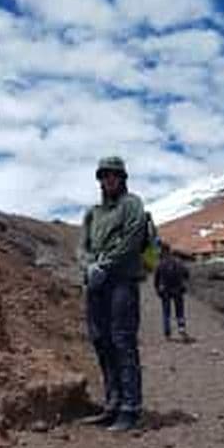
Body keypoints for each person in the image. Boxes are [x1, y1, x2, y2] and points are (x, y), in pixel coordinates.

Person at [79, 156, 147, 431]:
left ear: (122, 178)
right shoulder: (92, 213)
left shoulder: (132, 204)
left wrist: (104, 265)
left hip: (122, 281)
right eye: (104, 176)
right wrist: (88, 266)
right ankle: (112, 403)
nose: (109, 180)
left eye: (114, 175)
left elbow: (132, 239)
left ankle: (131, 408)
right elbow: (82, 246)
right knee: (101, 340)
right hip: (97, 283)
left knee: (122, 340)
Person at [154, 242, 189, 340]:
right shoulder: (178, 262)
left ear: (162, 251)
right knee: (180, 310)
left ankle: (167, 332)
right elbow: (186, 274)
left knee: (166, 312)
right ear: (169, 250)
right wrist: (183, 283)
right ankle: (181, 327)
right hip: (178, 289)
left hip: (165, 291)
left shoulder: (160, 263)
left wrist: (157, 290)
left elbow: (156, 279)